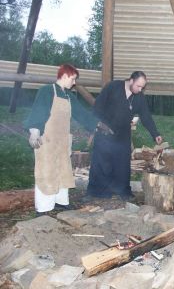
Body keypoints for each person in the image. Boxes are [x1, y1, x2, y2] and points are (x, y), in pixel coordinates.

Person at [24, 64, 98, 215]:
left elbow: (82, 115)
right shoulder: (47, 91)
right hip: (47, 141)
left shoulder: (69, 96)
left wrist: (98, 125)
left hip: (63, 142)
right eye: (73, 79)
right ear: (64, 76)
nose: (74, 83)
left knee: (63, 171)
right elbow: (38, 113)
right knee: (46, 172)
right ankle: (44, 207)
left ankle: (61, 202)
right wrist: (34, 133)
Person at [87, 71, 162, 200]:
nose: (140, 89)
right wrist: (99, 124)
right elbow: (98, 106)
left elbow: (146, 117)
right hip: (104, 131)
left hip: (123, 134)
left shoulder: (139, 97)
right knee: (100, 163)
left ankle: (122, 192)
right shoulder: (113, 87)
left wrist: (155, 134)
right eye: (138, 86)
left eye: (142, 87)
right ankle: (95, 192)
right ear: (131, 80)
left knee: (121, 164)